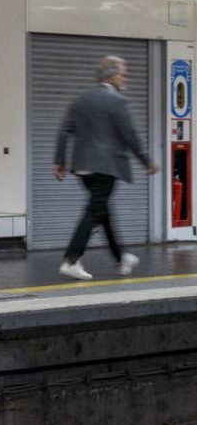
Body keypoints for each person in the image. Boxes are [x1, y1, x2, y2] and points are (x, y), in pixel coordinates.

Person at [53, 55, 157, 280]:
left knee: (102, 209)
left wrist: (59, 161)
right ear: (111, 75)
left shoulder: (80, 99)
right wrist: (146, 161)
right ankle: (72, 259)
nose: (125, 78)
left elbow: (64, 131)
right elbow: (130, 136)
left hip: (82, 167)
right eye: (123, 73)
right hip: (105, 167)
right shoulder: (117, 101)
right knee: (94, 211)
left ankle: (120, 257)